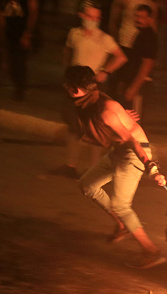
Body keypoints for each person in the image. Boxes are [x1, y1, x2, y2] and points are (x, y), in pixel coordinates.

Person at [63, 65, 167, 268]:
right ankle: (122, 226)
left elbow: (130, 140)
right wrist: (124, 115)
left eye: (67, 85)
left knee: (121, 205)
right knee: (88, 185)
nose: (64, 87)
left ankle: (151, 251)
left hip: (133, 153)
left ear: (74, 89)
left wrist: (151, 167)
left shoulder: (103, 110)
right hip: (119, 152)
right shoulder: (92, 99)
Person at [51, 0, 128, 179]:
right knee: (72, 122)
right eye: (90, 16)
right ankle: (70, 165)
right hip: (74, 85)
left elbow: (121, 57)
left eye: (97, 17)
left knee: (95, 127)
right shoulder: (74, 34)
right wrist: (67, 71)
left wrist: (105, 71)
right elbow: (67, 51)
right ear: (82, 16)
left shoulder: (104, 38)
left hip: (91, 87)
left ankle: (94, 169)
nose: (93, 20)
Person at [113, 4, 157, 117]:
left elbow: (147, 63)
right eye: (137, 16)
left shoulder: (149, 37)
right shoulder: (141, 35)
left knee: (135, 119)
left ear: (149, 19)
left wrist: (134, 88)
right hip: (131, 84)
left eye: (142, 17)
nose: (138, 20)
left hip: (138, 88)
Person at [0, 0, 38, 101]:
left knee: (19, 62)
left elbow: (33, 12)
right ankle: (18, 86)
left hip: (21, 32)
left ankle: (20, 89)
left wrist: (28, 34)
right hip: (9, 32)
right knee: (10, 62)